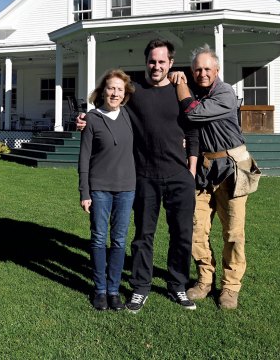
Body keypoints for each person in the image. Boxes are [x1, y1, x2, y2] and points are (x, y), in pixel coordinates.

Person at [78, 39, 199, 312]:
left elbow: (192, 131)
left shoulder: (181, 90)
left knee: (182, 234)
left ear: (170, 63)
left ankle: (177, 285)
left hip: (179, 174)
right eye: (152, 61)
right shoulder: (135, 93)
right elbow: (109, 108)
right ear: (146, 62)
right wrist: (85, 119)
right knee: (143, 235)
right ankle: (140, 288)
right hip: (144, 176)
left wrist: (191, 168)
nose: (156, 66)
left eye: (162, 62)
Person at [170, 44, 253, 310]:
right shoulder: (194, 91)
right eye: (197, 69)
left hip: (232, 170)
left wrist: (180, 83)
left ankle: (230, 287)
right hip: (203, 171)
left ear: (217, 70)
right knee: (197, 230)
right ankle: (205, 280)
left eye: (207, 68)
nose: (202, 73)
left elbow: (192, 111)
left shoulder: (225, 93)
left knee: (233, 234)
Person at [77, 69, 136, 311]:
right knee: (99, 238)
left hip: (126, 188)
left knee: (120, 240)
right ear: (103, 91)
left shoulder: (129, 116)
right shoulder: (91, 119)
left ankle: (114, 291)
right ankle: (99, 290)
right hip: (99, 188)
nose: (115, 93)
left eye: (119, 89)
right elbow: (84, 158)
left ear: (125, 94)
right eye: (111, 88)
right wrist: (84, 192)